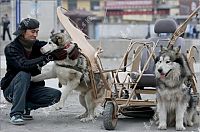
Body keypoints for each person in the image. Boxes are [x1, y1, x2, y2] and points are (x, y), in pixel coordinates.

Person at [0, 18, 68, 125]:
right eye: (32, 31)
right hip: (11, 91)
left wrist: (68, 48)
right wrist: (48, 57)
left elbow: (53, 46)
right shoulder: (11, 48)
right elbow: (24, 65)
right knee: (24, 74)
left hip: (32, 88)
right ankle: (16, 114)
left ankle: (26, 107)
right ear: (23, 32)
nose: (35, 35)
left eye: (37, 31)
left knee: (56, 95)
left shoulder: (37, 45)